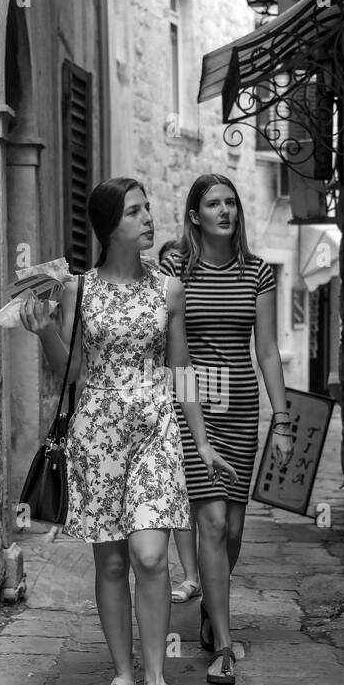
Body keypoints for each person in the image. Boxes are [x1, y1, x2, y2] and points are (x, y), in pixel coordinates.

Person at [20, 178, 235, 685]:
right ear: (109, 224)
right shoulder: (79, 290)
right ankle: (122, 673)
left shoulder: (168, 290)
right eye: (135, 211)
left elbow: (180, 371)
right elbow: (71, 369)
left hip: (156, 429)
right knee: (112, 560)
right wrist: (44, 332)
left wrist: (202, 442)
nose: (148, 218)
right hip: (97, 435)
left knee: (151, 556)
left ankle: (158, 684)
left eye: (147, 209)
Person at [160, 173, 294, 685]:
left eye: (231, 203)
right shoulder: (177, 268)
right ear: (195, 216)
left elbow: (266, 352)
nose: (225, 211)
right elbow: (172, 346)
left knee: (233, 531)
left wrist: (281, 421)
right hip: (190, 403)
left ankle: (212, 603)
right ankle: (223, 642)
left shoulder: (257, 274)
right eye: (213, 204)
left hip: (239, 408)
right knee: (211, 523)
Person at [158, 238, 202, 608]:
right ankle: (191, 575)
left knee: (197, 498)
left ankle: (203, 574)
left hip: (203, 392)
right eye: (167, 263)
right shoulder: (159, 296)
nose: (174, 268)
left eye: (180, 263)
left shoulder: (195, 293)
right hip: (164, 400)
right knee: (178, 494)